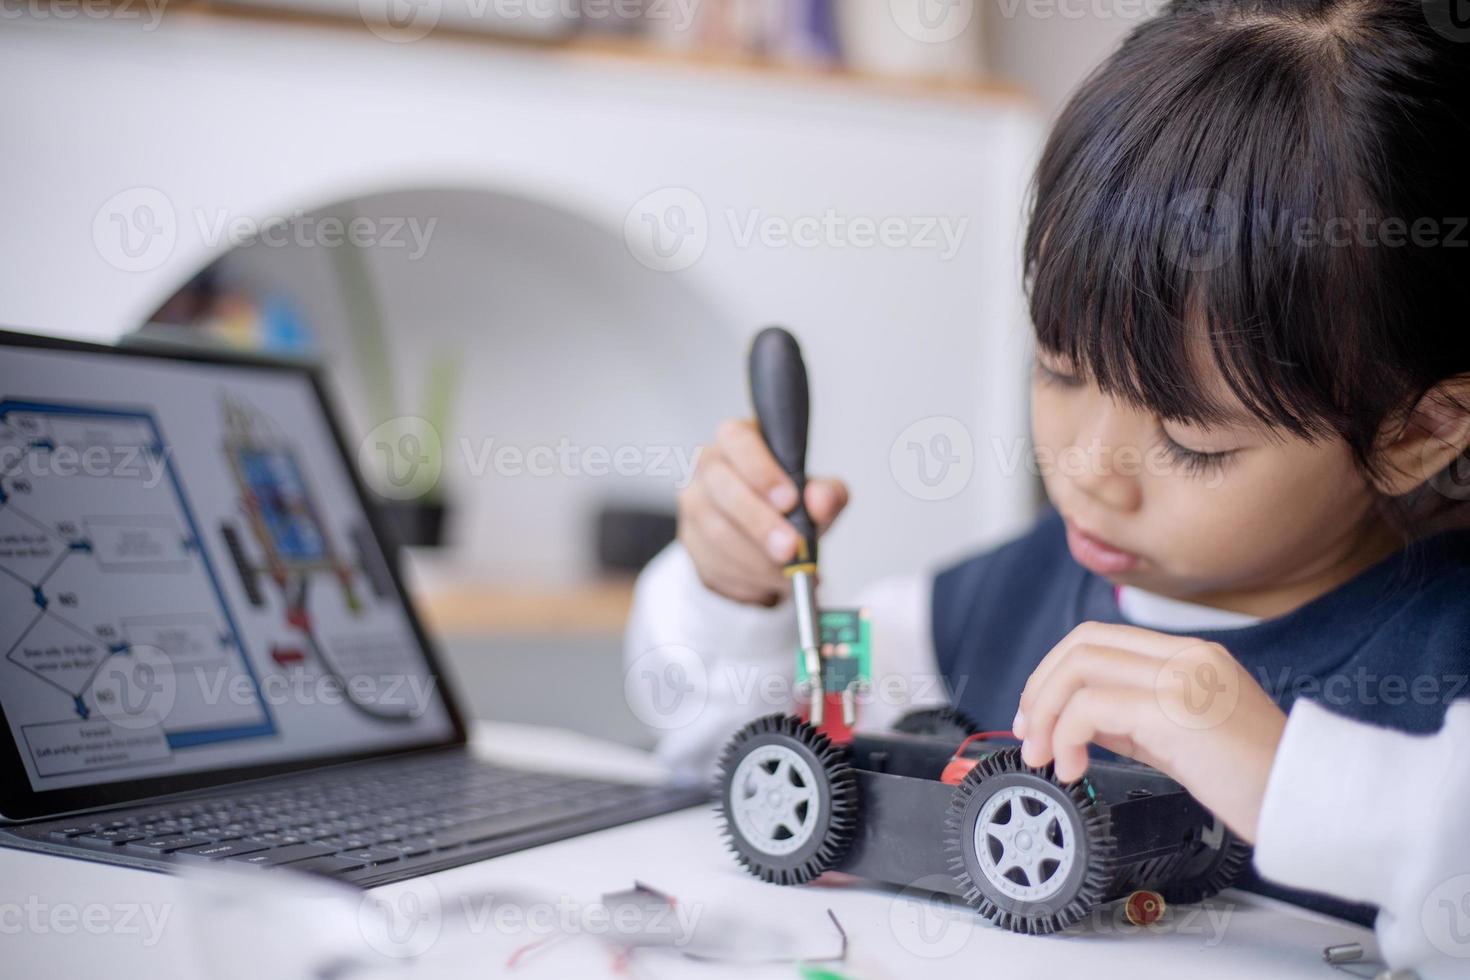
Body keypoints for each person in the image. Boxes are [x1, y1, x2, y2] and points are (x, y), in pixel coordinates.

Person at [625, 0, 1470, 939]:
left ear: (1421, 432)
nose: (1088, 466)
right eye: (1061, 370)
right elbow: (729, 755)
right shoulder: (985, 613)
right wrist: (736, 597)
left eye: (1194, 440)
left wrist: (1289, 785)